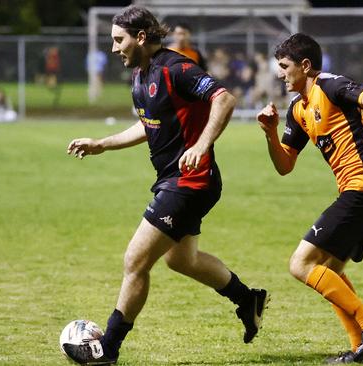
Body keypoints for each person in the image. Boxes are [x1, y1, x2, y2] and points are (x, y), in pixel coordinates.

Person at [64, 6, 268, 365]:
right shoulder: (142, 76)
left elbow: (225, 98)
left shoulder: (176, 68)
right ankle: (247, 299)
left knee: (135, 260)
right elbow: (149, 125)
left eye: (118, 40)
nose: (114, 48)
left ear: (141, 37)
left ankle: (107, 347)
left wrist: (202, 145)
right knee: (182, 260)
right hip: (174, 180)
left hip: (190, 180)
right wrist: (102, 143)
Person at [256, 33, 363, 364]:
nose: (280, 73)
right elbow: (284, 165)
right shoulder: (298, 109)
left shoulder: (330, 86)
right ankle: (362, 348)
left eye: (284, 67)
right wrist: (270, 133)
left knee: (301, 264)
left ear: (305, 65)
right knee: (331, 271)